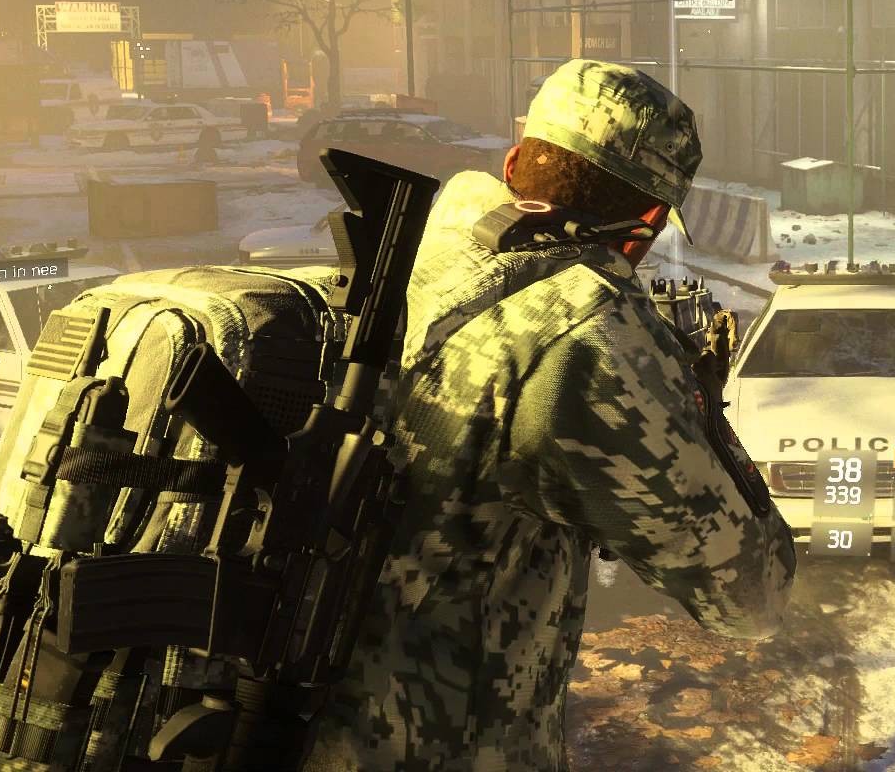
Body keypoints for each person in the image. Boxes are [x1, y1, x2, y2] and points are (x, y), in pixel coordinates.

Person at [303, 60, 797, 771]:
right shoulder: (587, 337)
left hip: (299, 725)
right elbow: (751, 593)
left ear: (512, 164)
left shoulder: (409, 256)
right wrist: (702, 414)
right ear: (647, 226)